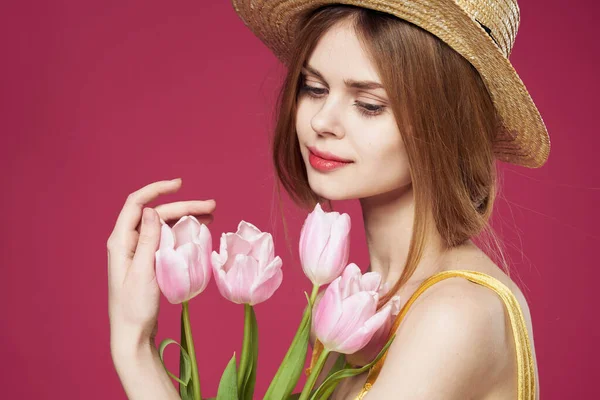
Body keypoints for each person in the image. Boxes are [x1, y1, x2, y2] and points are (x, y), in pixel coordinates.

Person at [108, 1, 548, 399]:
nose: (321, 120)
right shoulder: (369, 303)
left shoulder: (456, 315)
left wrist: (134, 351)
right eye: (314, 88)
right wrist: (134, 338)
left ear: (447, 125)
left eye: (370, 105)